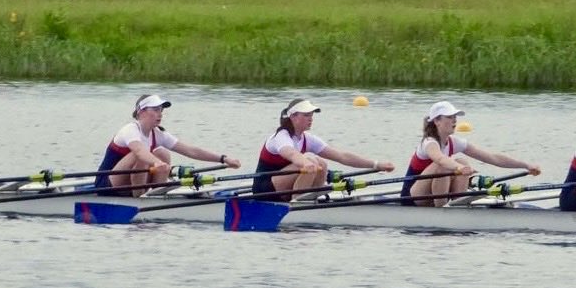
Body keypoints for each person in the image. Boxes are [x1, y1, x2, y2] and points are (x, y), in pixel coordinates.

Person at [94, 94, 241, 197]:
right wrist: (157, 163)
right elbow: (139, 151)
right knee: (144, 156)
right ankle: (139, 198)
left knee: (163, 153)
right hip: (107, 184)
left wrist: (223, 159)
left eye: (161, 110)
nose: (160, 114)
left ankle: (155, 194)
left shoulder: (157, 134)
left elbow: (190, 150)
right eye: (156, 110)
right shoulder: (130, 130)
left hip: (129, 184)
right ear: (141, 111)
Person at [401, 101, 542, 207]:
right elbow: (440, 158)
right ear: (437, 121)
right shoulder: (429, 143)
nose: (454, 120)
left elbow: (492, 158)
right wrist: (458, 168)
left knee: (463, 161)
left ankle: (457, 205)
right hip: (411, 197)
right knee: (445, 166)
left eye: (455, 116)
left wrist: (526, 165)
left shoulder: (454, 142)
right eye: (449, 116)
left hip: (430, 194)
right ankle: (442, 212)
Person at [251, 98, 394, 200]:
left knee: (321, 163)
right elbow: (291, 153)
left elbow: (342, 156)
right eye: (306, 115)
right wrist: (306, 163)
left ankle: (309, 199)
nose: (311, 118)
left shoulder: (307, 139)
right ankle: (297, 203)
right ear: (293, 117)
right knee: (311, 161)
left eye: (311, 115)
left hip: (282, 186)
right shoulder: (281, 136)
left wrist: (376, 164)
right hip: (264, 189)